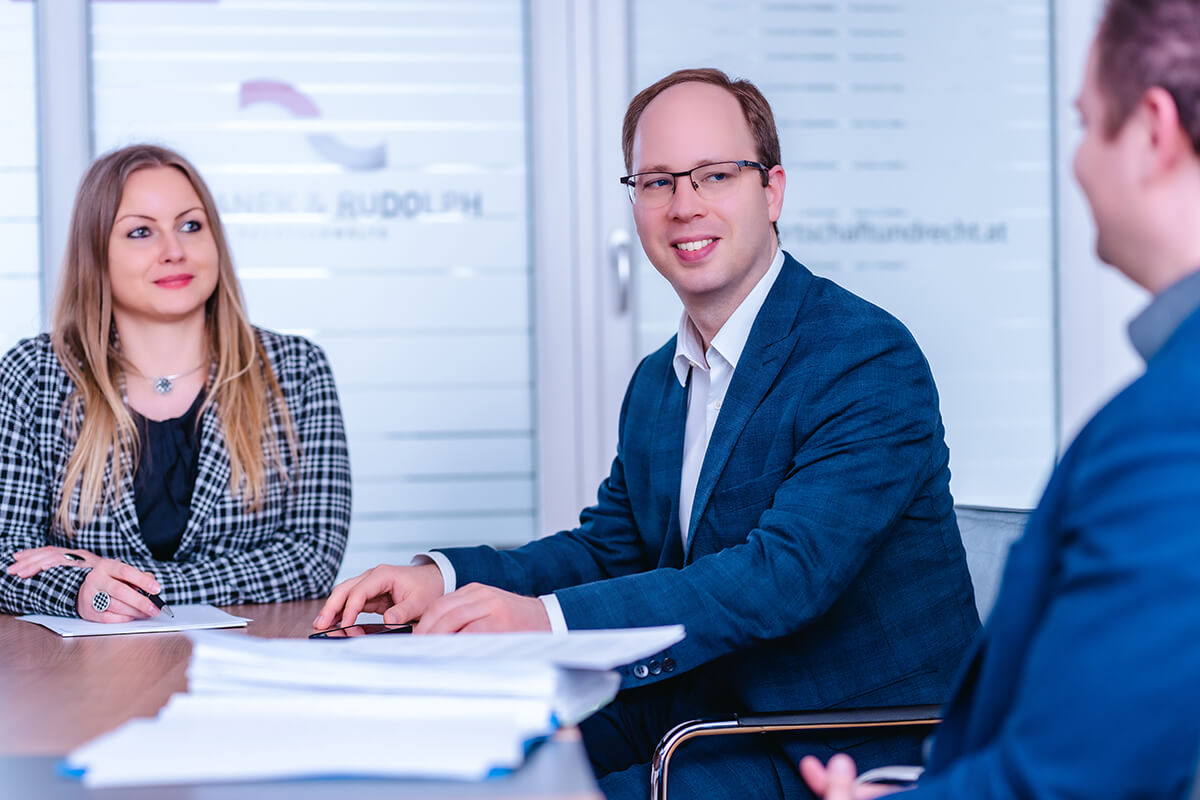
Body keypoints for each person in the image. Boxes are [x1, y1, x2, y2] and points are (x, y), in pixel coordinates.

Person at [316, 69, 979, 798]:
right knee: (455, 752)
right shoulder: (659, 382)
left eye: (715, 175)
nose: (684, 206)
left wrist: (544, 621)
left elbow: (782, 577)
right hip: (699, 707)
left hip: (840, 739)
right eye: (658, 182)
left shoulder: (863, 357)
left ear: (773, 190)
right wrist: (441, 578)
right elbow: (610, 550)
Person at [800, 1, 1200, 797]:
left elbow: (1070, 782)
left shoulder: (1170, 430)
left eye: (1088, 127)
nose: (1078, 163)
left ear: (1154, 129)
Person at [0, 144, 351, 623]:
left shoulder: (296, 370)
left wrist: (113, 580)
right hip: (85, 679)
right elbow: (6, 556)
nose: (174, 251)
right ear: (95, 252)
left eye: (191, 225)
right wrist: (80, 590)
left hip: (251, 662)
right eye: (141, 231)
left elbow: (310, 560)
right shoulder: (34, 373)